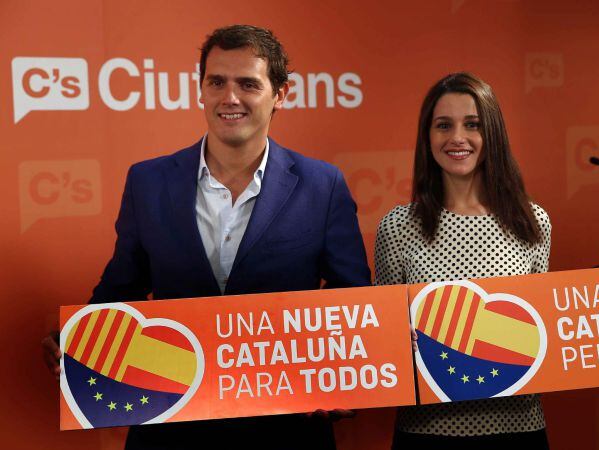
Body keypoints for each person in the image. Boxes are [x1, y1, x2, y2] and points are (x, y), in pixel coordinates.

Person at [42, 25, 370, 450]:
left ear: (281, 94)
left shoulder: (322, 185)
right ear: (200, 90)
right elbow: (123, 287)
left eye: (248, 84)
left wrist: (347, 378)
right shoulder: (148, 181)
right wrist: (78, 338)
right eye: (217, 82)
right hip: (172, 422)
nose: (229, 98)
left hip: (287, 428)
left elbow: (352, 299)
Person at [374, 72, 551, 450]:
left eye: (472, 125)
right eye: (443, 125)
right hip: (425, 433)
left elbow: (544, 333)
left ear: (493, 135)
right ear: (428, 137)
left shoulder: (533, 222)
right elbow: (381, 337)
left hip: (519, 429)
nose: (457, 138)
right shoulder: (397, 226)